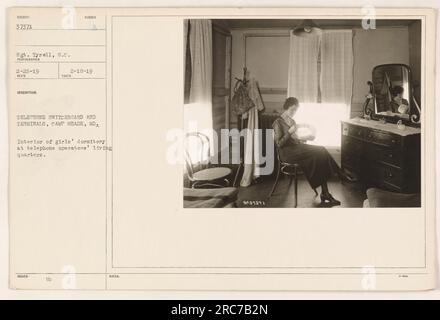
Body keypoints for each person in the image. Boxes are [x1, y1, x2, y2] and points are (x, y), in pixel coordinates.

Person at [272, 97, 355, 207]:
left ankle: (325, 193)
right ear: (286, 108)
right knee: (320, 150)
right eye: (292, 109)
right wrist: (289, 132)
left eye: (295, 110)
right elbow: (279, 144)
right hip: (287, 153)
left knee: (319, 156)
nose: (293, 112)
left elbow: (294, 139)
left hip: (296, 149)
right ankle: (339, 173)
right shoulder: (278, 122)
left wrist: (306, 137)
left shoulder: (292, 121)